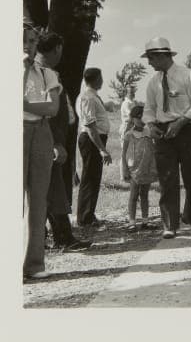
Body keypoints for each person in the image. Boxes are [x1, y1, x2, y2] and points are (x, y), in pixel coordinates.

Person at [141, 37, 191, 239]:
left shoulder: (188, 75)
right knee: (167, 179)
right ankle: (170, 224)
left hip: (188, 130)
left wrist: (180, 123)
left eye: (151, 58)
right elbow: (149, 109)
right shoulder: (153, 82)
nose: (149, 63)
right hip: (163, 134)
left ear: (162, 56)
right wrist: (151, 125)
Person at [35, 31, 91, 252]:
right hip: (46, 140)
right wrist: (56, 143)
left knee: (51, 190)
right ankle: (57, 238)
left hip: (47, 140)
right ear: (57, 48)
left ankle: (56, 237)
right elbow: (48, 112)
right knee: (49, 190)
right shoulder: (41, 74)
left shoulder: (42, 72)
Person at [23, 25, 61, 280]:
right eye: (23, 40)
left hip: (41, 132)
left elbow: (53, 108)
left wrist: (24, 104)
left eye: (32, 40)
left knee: (38, 200)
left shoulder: (47, 74)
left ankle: (34, 264)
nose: (28, 45)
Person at [76, 67, 113, 228]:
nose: (102, 81)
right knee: (90, 178)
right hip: (91, 140)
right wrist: (102, 149)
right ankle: (84, 218)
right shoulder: (88, 97)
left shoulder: (92, 96)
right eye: (101, 78)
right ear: (96, 79)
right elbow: (90, 126)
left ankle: (89, 215)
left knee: (94, 177)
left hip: (95, 139)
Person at [124, 103, 159, 229]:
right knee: (133, 195)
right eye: (137, 117)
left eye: (143, 117)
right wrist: (125, 169)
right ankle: (132, 222)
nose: (140, 120)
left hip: (147, 168)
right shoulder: (129, 134)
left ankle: (145, 221)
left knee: (144, 194)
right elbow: (124, 153)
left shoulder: (149, 133)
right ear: (132, 118)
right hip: (134, 169)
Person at [119, 87, 137, 182]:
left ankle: (128, 174)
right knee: (124, 152)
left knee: (130, 152)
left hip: (132, 127)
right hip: (126, 127)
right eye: (130, 92)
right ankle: (123, 175)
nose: (133, 93)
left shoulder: (132, 102)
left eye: (133, 92)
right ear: (126, 93)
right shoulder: (126, 103)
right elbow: (131, 114)